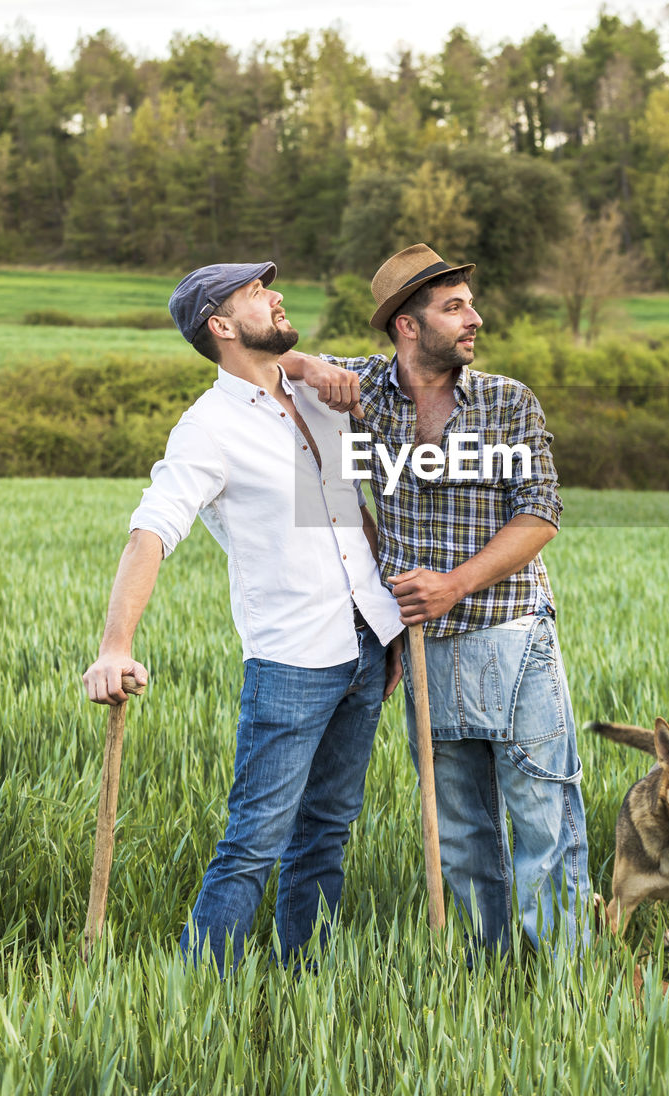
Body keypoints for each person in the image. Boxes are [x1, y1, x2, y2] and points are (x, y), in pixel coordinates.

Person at [83, 261, 403, 975]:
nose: (277, 294)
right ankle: (197, 996)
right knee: (255, 840)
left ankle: (305, 981)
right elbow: (152, 530)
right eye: (258, 292)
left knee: (327, 831)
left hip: (365, 642)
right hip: (291, 659)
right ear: (220, 327)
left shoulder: (315, 395)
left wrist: (390, 626)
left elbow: (350, 515)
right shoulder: (208, 428)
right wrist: (115, 645)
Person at [284, 245, 591, 957]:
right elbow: (268, 369)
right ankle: (492, 972)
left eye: (468, 304)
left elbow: (540, 514)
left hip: (513, 636)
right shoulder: (362, 391)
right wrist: (310, 368)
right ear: (407, 327)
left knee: (545, 816)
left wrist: (452, 584)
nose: (473, 319)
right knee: (460, 831)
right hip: (426, 650)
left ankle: (566, 982)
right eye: (453, 307)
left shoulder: (506, 401)